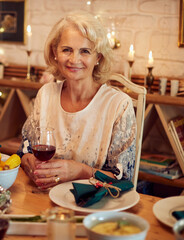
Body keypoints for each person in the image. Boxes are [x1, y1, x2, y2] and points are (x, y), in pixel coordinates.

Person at [17, 12, 136, 190]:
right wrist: (30, 163)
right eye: (67, 50)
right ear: (55, 53)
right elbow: (25, 152)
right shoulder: (46, 94)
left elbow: (123, 181)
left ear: (98, 58)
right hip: (44, 197)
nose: (74, 60)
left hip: (92, 206)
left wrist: (80, 171)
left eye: (85, 51)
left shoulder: (119, 105)